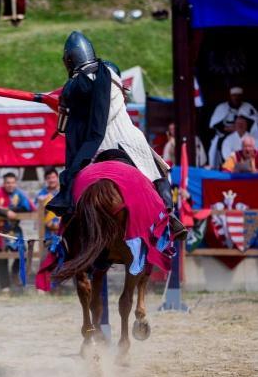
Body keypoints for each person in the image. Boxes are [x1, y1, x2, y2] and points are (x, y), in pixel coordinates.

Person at [45, 31, 187, 239]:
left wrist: (60, 104)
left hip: (95, 147)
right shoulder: (111, 75)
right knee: (159, 172)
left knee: (73, 181)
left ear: (69, 60)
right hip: (129, 141)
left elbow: (63, 127)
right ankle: (169, 218)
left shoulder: (72, 88)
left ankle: (69, 231)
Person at [0, 172, 34, 293]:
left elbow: (29, 207)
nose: (10, 185)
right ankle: (4, 287)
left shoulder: (19, 194)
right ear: (4, 183)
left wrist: (11, 210)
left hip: (14, 230)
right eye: (7, 182)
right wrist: (6, 213)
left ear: (15, 183)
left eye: (12, 182)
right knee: (1, 259)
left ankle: (14, 273)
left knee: (23, 254)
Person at [208, 86, 258, 168]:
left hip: (246, 135)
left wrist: (240, 128)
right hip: (225, 135)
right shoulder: (221, 107)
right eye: (234, 95)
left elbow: (255, 122)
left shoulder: (248, 107)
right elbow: (215, 125)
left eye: (238, 96)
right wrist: (229, 129)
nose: (236, 98)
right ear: (230, 97)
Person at [36, 168, 61, 249]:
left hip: (62, 234)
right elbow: (34, 209)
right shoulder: (41, 194)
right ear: (45, 180)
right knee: (47, 258)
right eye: (48, 178)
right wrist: (42, 204)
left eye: (53, 177)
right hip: (47, 234)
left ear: (57, 178)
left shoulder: (63, 192)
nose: (51, 180)